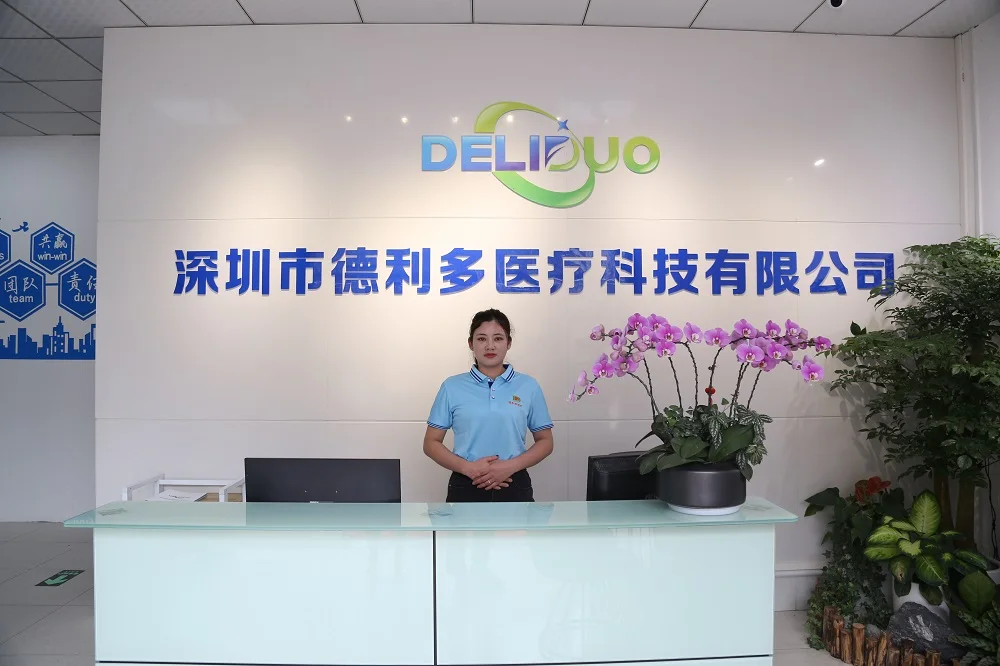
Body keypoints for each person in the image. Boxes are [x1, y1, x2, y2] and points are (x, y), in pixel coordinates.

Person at [423, 309, 554, 502]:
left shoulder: (528, 386)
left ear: (509, 343)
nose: (490, 346)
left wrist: (510, 466)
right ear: (471, 344)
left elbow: (546, 441)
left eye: (498, 338)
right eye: (482, 339)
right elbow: (431, 442)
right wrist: (469, 468)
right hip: (466, 483)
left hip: (514, 482)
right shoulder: (451, 387)